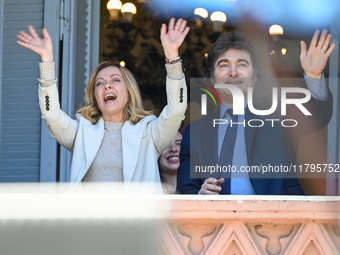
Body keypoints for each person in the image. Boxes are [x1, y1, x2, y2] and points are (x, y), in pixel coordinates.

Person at [16, 18, 189, 190]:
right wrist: (47, 61)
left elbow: (176, 110)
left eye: (115, 80)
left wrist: (172, 56)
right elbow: (51, 115)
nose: (107, 85)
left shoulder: (149, 132)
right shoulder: (81, 132)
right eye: (100, 83)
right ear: (95, 97)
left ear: (129, 92)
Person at [177, 30, 335, 195]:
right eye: (224, 65)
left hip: (278, 217)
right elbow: (185, 188)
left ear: (254, 76)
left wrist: (313, 76)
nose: (233, 72)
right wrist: (200, 195)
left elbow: (318, 117)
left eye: (242, 64)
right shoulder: (193, 133)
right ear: (211, 77)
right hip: (217, 219)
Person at [158, 130, 183, 194]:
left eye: (179, 144)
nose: (173, 149)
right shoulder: (147, 189)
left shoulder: (202, 187)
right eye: (166, 144)